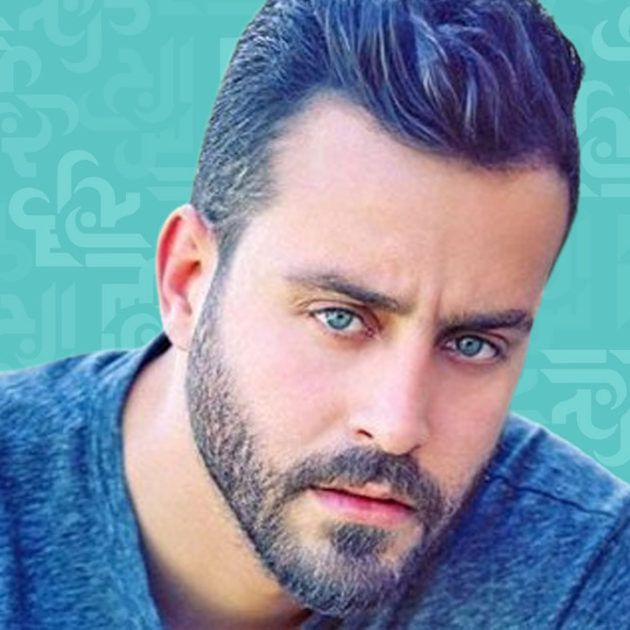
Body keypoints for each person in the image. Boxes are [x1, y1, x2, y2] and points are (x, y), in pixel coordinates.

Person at [1, 0, 628, 628]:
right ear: (186, 282)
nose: (397, 426)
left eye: (472, 344)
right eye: (340, 317)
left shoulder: (586, 576)